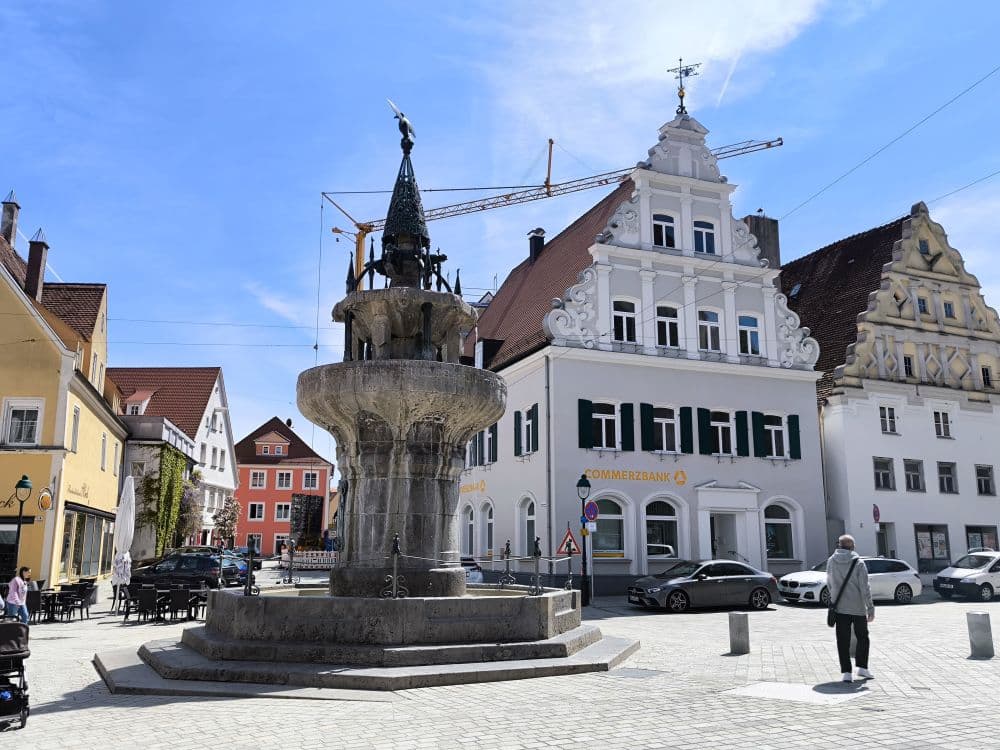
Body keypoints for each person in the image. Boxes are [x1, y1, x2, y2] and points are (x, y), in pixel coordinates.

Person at [827, 535, 874, 682]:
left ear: (839, 546)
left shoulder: (831, 561)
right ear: (852, 547)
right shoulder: (859, 563)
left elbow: (829, 583)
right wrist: (870, 607)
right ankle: (862, 668)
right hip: (858, 608)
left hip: (840, 608)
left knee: (842, 639)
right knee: (863, 638)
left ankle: (846, 672)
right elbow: (864, 587)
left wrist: (834, 600)